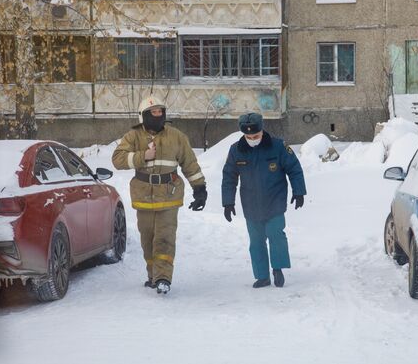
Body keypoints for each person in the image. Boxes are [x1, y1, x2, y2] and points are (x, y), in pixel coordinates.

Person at [112, 96, 207, 295]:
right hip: (143, 197)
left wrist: (199, 189)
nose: (158, 115)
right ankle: (152, 275)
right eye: (153, 112)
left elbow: (190, 164)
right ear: (144, 116)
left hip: (169, 197)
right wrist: (142, 156)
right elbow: (118, 160)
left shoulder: (176, 136)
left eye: (160, 111)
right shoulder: (133, 136)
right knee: (148, 240)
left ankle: (163, 277)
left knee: (165, 238)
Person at [221, 112, 306, 288]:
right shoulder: (236, 150)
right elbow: (229, 176)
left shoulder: (278, 146)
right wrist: (228, 202)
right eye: (249, 136)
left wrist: (299, 191)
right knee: (256, 241)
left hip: (274, 200)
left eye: (256, 136)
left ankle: (278, 268)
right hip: (251, 204)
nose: (253, 139)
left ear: (262, 130)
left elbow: (294, 168)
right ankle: (262, 276)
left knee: (276, 235)